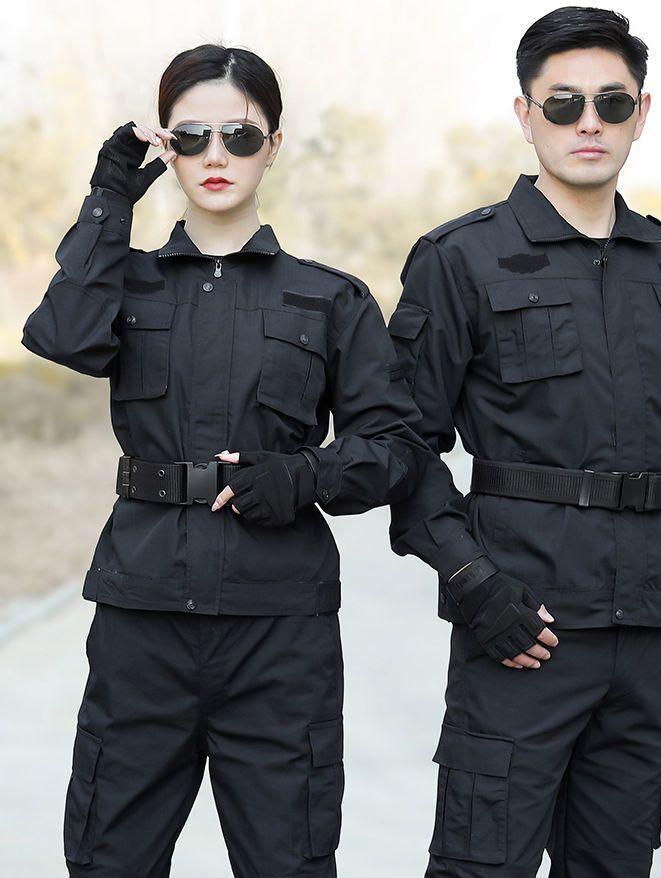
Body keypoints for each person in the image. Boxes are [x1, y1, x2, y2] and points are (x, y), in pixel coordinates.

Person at [21, 43, 440, 878]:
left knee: (289, 862)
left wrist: (306, 474)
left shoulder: (329, 297)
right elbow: (61, 336)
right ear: (166, 146)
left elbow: (395, 444)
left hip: (279, 632)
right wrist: (110, 197)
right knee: (108, 858)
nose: (216, 156)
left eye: (240, 137)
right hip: (143, 620)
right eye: (192, 136)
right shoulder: (126, 283)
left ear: (273, 145)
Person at [387, 7, 661, 877]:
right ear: (526, 115)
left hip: (642, 641)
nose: (590, 123)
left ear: (641, 114)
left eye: (612, 103)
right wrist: (474, 584)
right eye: (564, 103)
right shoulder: (462, 259)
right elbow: (401, 444)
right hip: (522, 634)